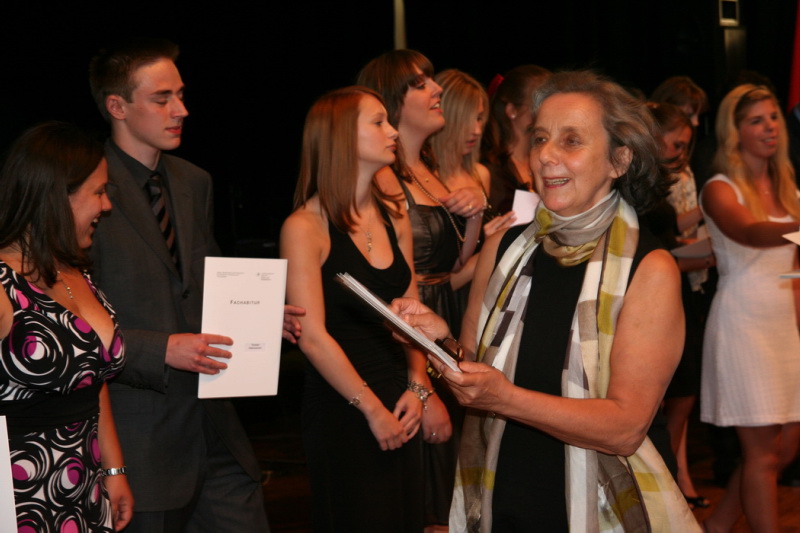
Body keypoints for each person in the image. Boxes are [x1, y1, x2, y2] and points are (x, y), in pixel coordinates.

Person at [392, 71, 700, 531]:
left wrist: (508, 398)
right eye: (539, 139)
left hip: (605, 505)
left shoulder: (649, 268)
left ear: (619, 160)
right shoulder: (504, 248)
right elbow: (473, 372)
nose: (545, 156)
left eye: (571, 141)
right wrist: (437, 342)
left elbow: (625, 427)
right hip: (503, 493)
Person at [87, 38, 301, 532]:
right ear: (117, 106)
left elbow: (203, 284)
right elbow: (68, 321)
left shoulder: (193, 181)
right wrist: (160, 349)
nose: (180, 110)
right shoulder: (82, 188)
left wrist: (257, 315)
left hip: (215, 426)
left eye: (180, 95)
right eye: (161, 98)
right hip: (140, 437)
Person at [281, 86, 448, 531]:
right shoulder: (304, 227)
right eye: (378, 122)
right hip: (344, 405)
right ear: (341, 137)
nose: (392, 131)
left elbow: (412, 316)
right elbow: (312, 337)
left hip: (399, 397)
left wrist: (418, 385)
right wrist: (372, 409)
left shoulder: (394, 215)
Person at [359, 50, 483, 530]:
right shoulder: (383, 176)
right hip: (409, 333)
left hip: (441, 322)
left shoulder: (427, 168)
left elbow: (452, 269)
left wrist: (477, 219)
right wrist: (423, 385)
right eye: (420, 83)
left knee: (453, 486)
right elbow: (399, 283)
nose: (437, 90)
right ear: (393, 100)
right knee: (430, 494)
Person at [0, 122, 133, 531]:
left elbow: (92, 379)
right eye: (98, 192)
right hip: (21, 496)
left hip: (85, 489)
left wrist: (114, 470)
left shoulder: (76, 272)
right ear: (57, 197)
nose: (106, 206)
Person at [700, 84, 800, 533]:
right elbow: (751, 233)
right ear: (734, 131)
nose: (770, 127)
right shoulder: (719, 188)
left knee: (785, 447)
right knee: (761, 454)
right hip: (743, 324)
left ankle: (718, 524)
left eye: (773, 117)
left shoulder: (788, 188)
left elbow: (793, 268)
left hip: (783, 327)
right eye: (756, 120)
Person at [644, 102, 714, 510]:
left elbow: (668, 239)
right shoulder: (642, 187)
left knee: (683, 391)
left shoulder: (657, 185)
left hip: (677, 288)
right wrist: (701, 256)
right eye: (676, 144)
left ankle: (670, 473)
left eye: (686, 146)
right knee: (670, 392)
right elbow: (657, 251)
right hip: (660, 289)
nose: (682, 153)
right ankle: (664, 476)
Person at [480, 65, 551, 218]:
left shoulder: (549, 161)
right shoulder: (491, 170)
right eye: (539, 105)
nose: (548, 112)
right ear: (512, 110)